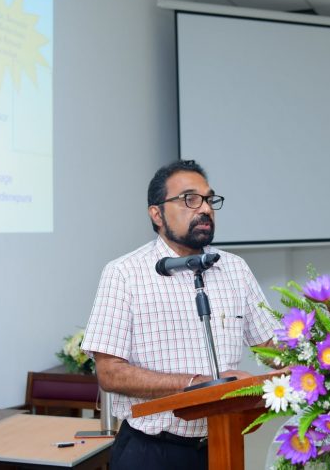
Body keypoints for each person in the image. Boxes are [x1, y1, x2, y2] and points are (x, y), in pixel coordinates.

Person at [81, 159, 278, 470]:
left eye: (209, 199)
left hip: (222, 445)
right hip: (152, 452)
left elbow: (273, 347)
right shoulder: (124, 273)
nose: (205, 209)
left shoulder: (235, 269)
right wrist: (200, 384)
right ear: (156, 214)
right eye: (190, 199)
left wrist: (328, 360)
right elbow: (110, 373)